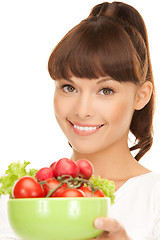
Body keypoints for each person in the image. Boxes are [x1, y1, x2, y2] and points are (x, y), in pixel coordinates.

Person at [48, 2, 160, 240]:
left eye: (106, 90)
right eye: (69, 87)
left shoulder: (155, 198)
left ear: (141, 96)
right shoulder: (19, 200)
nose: (83, 110)